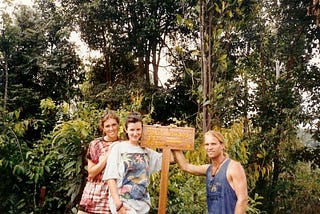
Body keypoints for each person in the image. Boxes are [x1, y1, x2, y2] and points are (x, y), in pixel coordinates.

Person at [173, 130, 248, 214]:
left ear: (222, 145)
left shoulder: (233, 167)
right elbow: (185, 166)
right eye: (207, 144)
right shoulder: (208, 169)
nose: (209, 147)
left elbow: (242, 200)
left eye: (213, 144)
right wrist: (173, 139)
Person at [103, 111, 162, 214]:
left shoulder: (146, 151)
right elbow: (110, 178)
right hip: (124, 204)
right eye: (132, 130)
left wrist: (162, 134)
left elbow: (169, 159)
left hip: (142, 205)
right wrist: (118, 205)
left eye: (138, 129)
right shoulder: (118, 148)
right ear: (126, 129)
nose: (135, 133)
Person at [77, 110, 121, 214]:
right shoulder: (95, 144)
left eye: (114, 125)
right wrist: (108, 154)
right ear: (103, 128)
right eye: (107, 126)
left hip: (112, 195)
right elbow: (91, 173)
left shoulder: (123, 144)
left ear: (119, 125)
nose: (111, 128)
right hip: (93, 193)